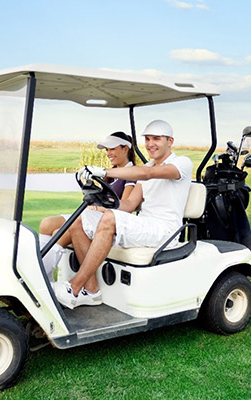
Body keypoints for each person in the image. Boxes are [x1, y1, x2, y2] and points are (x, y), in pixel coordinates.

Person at [53, 120, 193, 309]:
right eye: (148, 139)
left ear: (170, 141)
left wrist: (104, 171)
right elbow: (128, 205)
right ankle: (91, 291)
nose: (151, 144)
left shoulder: (181, 163)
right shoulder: (147, 166)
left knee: (110, 219)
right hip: (144, 225)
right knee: (79, 219)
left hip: (166, 230)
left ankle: (73, 287)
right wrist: (103, 203)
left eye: (157, 139)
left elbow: (148, 173)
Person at [39, 131, 137, 281]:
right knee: (47, 224)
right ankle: (44, 276)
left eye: (112, 149)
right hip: (93, 216)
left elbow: (124, 208)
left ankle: (39, 277)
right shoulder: (110, 174)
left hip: (108, 221)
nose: (108, 153)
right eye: (107, 150)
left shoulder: (131, 174)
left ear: (125, 149)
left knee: (60, 231)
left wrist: (99, 208)